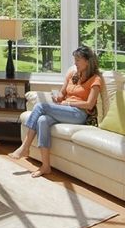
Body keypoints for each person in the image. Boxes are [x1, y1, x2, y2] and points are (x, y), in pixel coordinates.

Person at [9, 45, 105, 178]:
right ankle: (46, 166)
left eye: (78, 60)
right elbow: (62, 92)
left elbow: (89, 104)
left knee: (40, 107)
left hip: (78, 114)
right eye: (74, 60)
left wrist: (69, 102)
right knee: (42, 120)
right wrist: (58, 96)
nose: (75, 63)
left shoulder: (96, 79)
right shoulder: (73, 74)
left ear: (87, 61)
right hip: (65, 109)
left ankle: (25, 146)